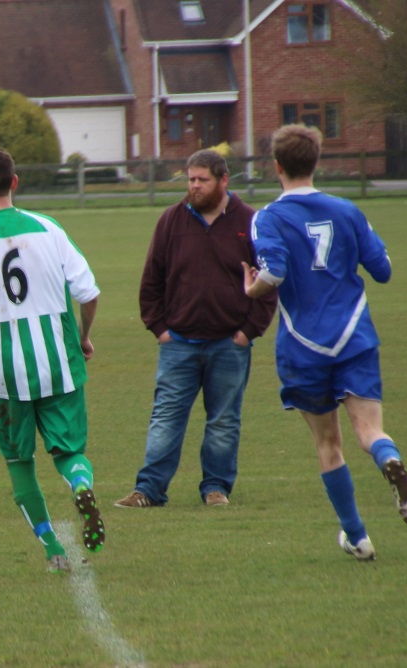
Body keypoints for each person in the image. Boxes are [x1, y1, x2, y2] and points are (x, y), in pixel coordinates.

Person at [242, 124, 407, 560]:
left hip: (303, 346)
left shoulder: (267, 217)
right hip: (354, 337)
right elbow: (383, 270)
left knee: (329, 444)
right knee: (370, 430)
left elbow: (274, 272)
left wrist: (251, 289)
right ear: (316, 162)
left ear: (277, 166)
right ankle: (388, 459)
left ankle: (357, 537)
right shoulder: (347, 210)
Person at [0, 148, 104, 574]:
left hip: (1, 372)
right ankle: (80, 482)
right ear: (14, 182)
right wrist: (83, 337)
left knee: (18, 461)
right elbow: (88, 293)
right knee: (68, 451)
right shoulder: (49, 229)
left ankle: (52, 548)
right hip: (59, 361)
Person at [115, 150, 277, 510]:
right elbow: (152, 279)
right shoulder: (171, 220)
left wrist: (247, 333)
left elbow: (268, 282)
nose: (194, 186)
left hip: (229, 344)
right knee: (165, 418)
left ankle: (216, 488)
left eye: (202, 179)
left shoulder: (250, 222)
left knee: (223, 421)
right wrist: (159, 329)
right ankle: (148, 490)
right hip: (178, 344)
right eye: (190, 179)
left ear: (223, 180)